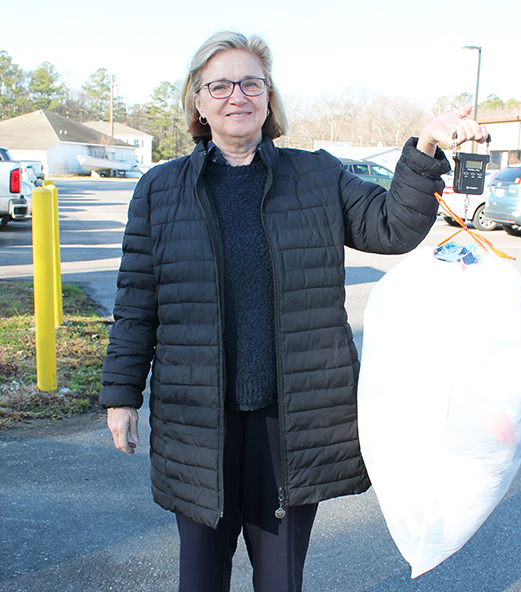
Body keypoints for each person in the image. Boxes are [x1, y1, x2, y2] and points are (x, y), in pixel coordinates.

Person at [100, 30, 488, 592]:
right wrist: (120, 394)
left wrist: (425, 147)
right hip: (196, 418)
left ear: (269, 97)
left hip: (290, 421)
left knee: (281, 579)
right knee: (200, 578)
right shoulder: (161, 189)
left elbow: (393, 228)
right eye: (221, 85)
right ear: (199, 102)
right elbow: (137, 300)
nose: (238, 95)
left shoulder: (316, 175)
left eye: (252, 82)